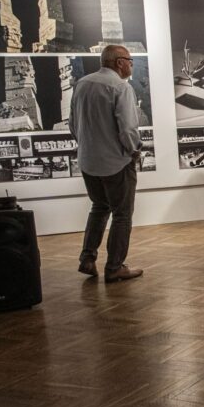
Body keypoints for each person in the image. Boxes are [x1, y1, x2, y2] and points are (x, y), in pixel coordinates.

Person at [70, 44, 143, 284]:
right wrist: (134, 150)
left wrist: (87, 146)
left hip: (88, 160)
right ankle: (114, 267)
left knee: (99, 207)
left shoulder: (82, 84)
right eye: (130, 60)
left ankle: (87, 259)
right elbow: (128, 128)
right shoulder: (121, 87)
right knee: (122, 215)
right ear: (119, 62)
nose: (131, 65)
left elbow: (73, 124)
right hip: (116, 162)